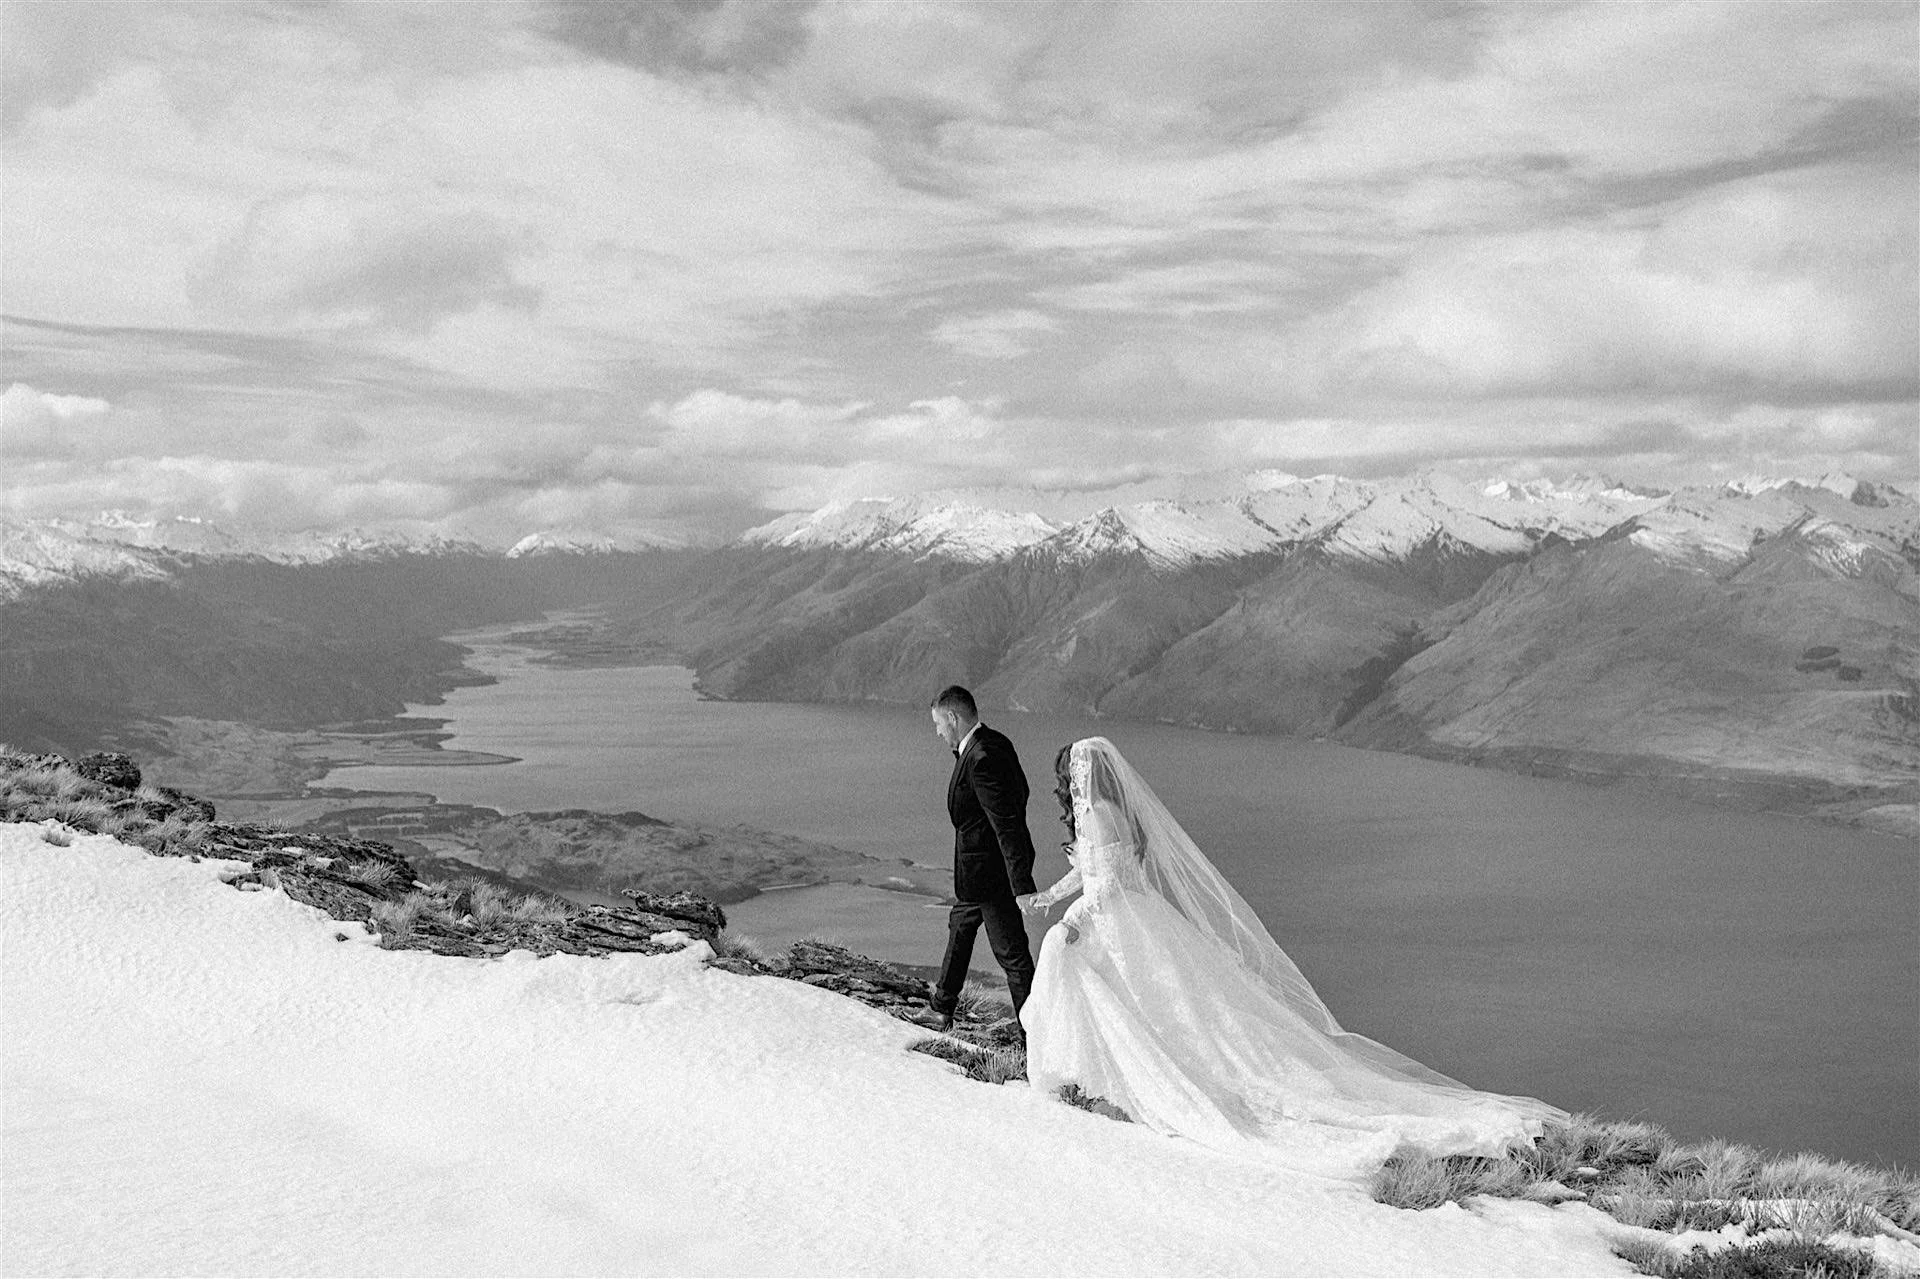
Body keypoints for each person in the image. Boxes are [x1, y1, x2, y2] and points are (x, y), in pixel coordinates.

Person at [1017, 736, 1565, 1175]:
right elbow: (1095, 871)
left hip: (1119, 924)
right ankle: (1100, 1083)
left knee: (1135, 1003)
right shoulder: (1115, 813)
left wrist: (1068, 923)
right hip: (1136, 923)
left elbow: (1104, 887)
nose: (1067, 785)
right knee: (1177, 1013)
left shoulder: (1095, 816)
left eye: (1069, 776)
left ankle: (1099, 1083)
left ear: (1079, 778)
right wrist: (1048, 897)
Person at [924, 685, 1038, 1035]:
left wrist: (1021, 885)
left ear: (954, 718)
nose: (938, 731)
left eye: (939, 724)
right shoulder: (995, 742)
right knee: (960, 927)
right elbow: (1021, 794)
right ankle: (942, 1008)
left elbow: (1007, 824)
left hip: (992, 879)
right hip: (978, 877)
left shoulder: (982, 757)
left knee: (1013, 959)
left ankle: (1036, 1038)